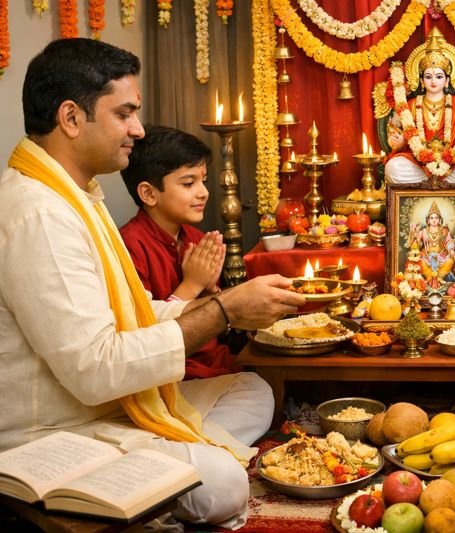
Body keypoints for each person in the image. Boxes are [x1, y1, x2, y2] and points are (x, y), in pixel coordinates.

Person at [0, 38, 306, 529]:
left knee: (253, 389)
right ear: (72, 118)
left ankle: (168, 461)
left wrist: (229, 300)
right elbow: (97, 368)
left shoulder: (76, 198)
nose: (137, 130)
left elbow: (139, 311)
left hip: (107, 404)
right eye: (124, 114)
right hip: (58, 432)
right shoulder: (40, 214)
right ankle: (163, 473)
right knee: (226, 484)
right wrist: (224, 314)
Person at [120, 125, 245, 381]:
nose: (204, 192)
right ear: (149, 193)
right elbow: (139, 335)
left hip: (214, 363)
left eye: (204, 180)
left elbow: (216, 328)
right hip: (172, 374)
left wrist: (211, 290)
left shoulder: (196, 239)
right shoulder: (129, 245)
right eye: (189, 183)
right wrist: (192, 284)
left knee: (259, 387)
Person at [384, 40, 455, 185]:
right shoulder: (410, 105)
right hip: (418, 165)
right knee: (393, 168)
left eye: (439, 77)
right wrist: (400, 142)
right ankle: (434, 184)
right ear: (421, 81)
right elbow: (395, 132)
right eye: (428, 77)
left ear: (447, 81)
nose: (433, 81)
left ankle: (439, 184)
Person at [406, 201, 455, 289]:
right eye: (431, 218)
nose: (434, 220)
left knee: (450, 260)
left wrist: (451, 250)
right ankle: (429, 278)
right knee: (420, 261)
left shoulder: (444, 231)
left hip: (441, 255)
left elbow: (449, 242)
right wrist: (415, 235)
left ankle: (439, 278)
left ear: (440, 219)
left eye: (436, 218)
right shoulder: (424, 231)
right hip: (427, 255)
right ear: (428, 220)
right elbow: (416, 245)